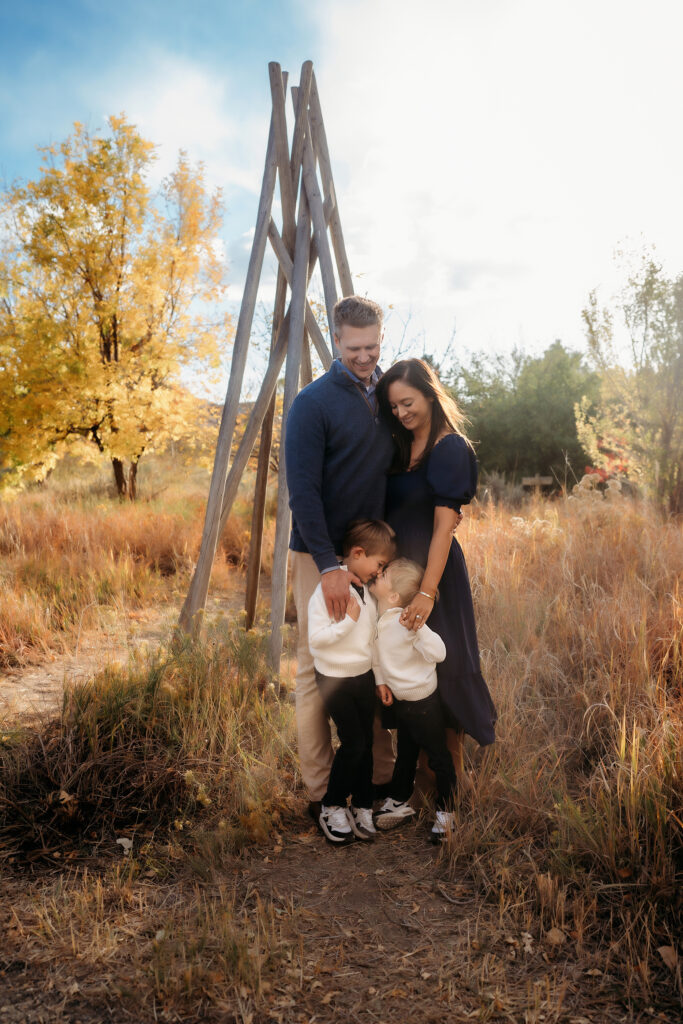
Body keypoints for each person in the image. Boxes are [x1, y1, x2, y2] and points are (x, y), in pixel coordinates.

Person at [285, 296, 396, 824]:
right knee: (317, 668)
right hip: (321, 555)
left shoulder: (387, 395)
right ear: (335, 341)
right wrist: (329, 566)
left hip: (370, 555)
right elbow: (302, 492)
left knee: (373, 655)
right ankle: (320, 790)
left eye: (372, 346)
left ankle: (377, 781)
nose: (365, 356)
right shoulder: (312, 402)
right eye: (354, 347)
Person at [375, 359, 497, 781]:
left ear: (429, 393)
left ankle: (452, 788)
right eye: (393, 407)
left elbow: (444, 527)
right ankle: (421, 785)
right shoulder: (398, 445)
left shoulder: (450, 448)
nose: (401, 413)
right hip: (399, 575)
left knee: (443, 671)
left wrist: (426, 593)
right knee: (405, 668)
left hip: (434, 576)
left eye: (407, 402)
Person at [308, 520, 396, 844]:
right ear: (358, 553)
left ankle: (361, 806)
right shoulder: (326, 591)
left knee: (368, 742)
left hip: (363, 678)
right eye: (380, 564)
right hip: (334, 679)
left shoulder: (368, 595)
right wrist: (347, 623)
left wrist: (381, 678)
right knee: (353, 743)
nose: (380, 571)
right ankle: (331, 805)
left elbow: (373, 639)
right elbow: (316, 642)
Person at [370, 558, 458, 842]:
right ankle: (398, 801)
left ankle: (447, 815)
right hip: (402, 704)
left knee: (439, 758)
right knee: (405, 754)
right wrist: (380, 680)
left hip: (424, 705)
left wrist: (419, 629)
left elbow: (439, 652)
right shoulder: (384, 619)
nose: (378, 575)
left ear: (394, 595)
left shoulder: (409, 621)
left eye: (384, 575)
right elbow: (378, 653)